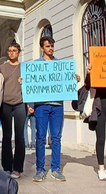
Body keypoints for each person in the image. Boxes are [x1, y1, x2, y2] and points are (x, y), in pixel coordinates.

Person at [32, 36, 79, 182]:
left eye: (52, 46)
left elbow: (66, 83)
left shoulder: (60, 64)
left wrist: (73, 79)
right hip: (41, 106)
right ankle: (40, 169)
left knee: (56, 138)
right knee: (40, 137)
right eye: (47, 46)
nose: (50, 48)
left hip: (57, 106)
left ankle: (56, 168)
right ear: (42, 48)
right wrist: (24, 81)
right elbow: (31, 85)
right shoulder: (36, 65)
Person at [0, 43, 26, 178]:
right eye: (9, 51)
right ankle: (7, 167)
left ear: (19, 52)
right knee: (6, 136)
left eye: (14, 51)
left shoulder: (25, 68)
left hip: (20, 104)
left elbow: (32, 84)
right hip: (5, 105)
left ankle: (18, 168)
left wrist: (24, 82)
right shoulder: (2, 67)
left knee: (20, 136)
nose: (11, 53)